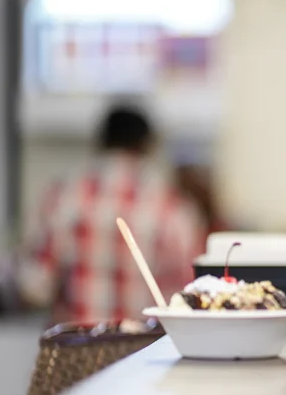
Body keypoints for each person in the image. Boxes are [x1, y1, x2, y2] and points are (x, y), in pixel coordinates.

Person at [19, 104, 205, 324]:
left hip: (76, 342)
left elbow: (36, 287)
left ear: (100, 143)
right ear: (147, 145)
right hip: (143, 343)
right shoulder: (172, 208)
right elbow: (189, 291)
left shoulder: (62, 198)